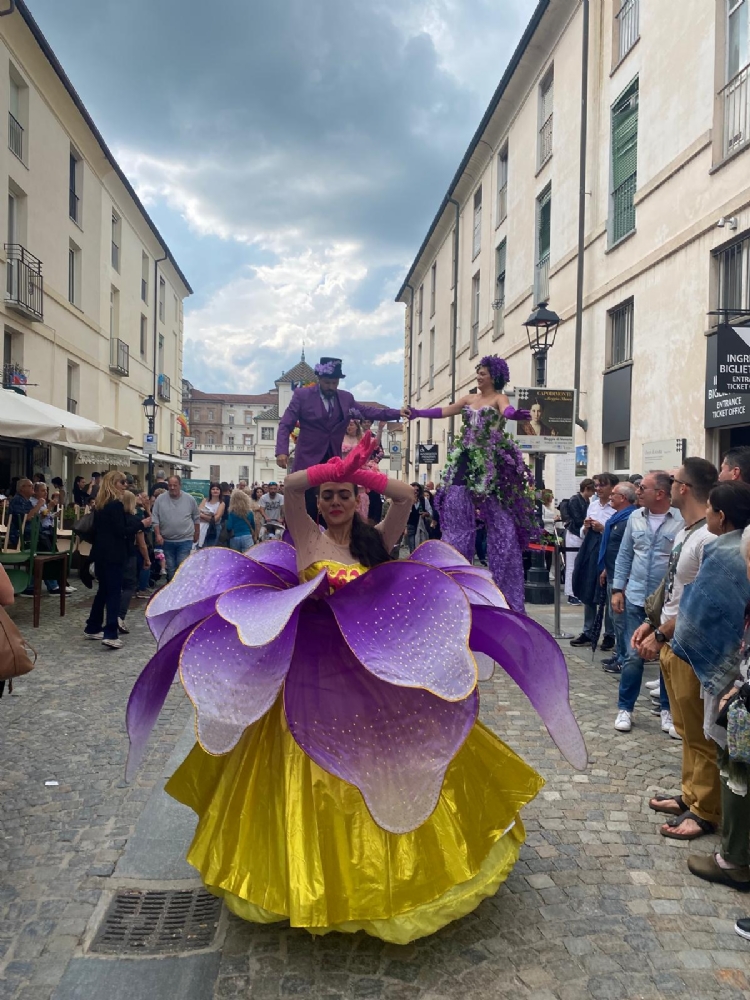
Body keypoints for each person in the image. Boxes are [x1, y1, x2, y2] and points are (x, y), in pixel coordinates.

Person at [126, 432, 586, 943]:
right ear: (319, 503)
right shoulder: (306, 536)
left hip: (373, 673)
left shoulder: (376, 541)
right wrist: (330, 470)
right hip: (312, 674)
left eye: (345, 495)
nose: (337, 502)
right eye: (329, 496)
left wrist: (359, 473)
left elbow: (408, 495)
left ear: (359, 499)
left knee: (396, 754)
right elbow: (290, 485)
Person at [629, 459, 720, 841]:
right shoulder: (688, 531)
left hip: (689, 645)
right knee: (686, 730)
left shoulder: (708, 538)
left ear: (683, 489)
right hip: (672, 641)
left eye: (676, 479)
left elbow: (699, 602)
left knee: (701, 733)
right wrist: (651, 621)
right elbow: (672, 588)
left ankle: (705, 810)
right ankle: (690, 795)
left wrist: (662, 633)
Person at [407, 356, 536, 612]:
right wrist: (418, 412)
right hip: (465, 461)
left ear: (494, 376)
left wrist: (515, 415)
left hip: (492, 462)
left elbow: (507, 410)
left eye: (483, 373)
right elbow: (445, 411)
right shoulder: (468, 399)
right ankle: (454, 586)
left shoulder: (498, 398)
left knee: (503, 529)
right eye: (477, 372)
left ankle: (507, 598)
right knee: (456, 526)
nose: (478, 377)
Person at [676, 484, 750, 893]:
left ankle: (734, 858)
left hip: (737, 682)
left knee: (734, 761)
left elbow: (701, 615)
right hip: (738, 671)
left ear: (721, 515)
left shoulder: (726, 551)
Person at [275, 357, 402, 519]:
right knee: (306, 512)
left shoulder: (345, 398)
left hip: (333, 463)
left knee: (333, 508)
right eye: (327, 383)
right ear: (319, 379)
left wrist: (397, 413)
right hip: (307, 461)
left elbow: (369, 412)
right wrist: (281, 451)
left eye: (335, 383)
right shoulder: (302, 395)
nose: (331, 387)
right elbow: (286, 423)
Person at [611, 471, 684, 733]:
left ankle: (667, 710)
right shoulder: (634, 517)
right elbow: (625, 555)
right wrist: (617, 589)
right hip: (636, 597)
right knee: (633, 656)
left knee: (666, 655)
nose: (637, 491)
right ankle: (625, 708)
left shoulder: (680, 520)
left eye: (643, 487)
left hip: (666, 603)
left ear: (660, 494)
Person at [84, 471, 138, 649]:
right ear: (112, 484)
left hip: (100, 554)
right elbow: (121, 531)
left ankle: (93, 626)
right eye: (121, 482)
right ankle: (110, 633)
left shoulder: (100, 505)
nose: (125, 485)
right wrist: (140, 524)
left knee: (103, 591)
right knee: (114, 593)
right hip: (113, 555)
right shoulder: (115, 506)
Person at [570, 474, 619, 648]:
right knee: (589, 589)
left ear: (613, 487)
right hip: (590, 550)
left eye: (601, 486)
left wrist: (602, 528)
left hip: (608, 552)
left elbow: (619, 534)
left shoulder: (616, 508)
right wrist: (586, 526)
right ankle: (588, 631)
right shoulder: (593, 505)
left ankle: (609, 634)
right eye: (596, 485)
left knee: (608, 593)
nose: (598, 489)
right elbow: (582, 532)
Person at [598, 482, 638, 674]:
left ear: (622, 498)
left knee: (621, 621)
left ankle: (624, 659)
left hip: (622, 580)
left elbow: (628, 552)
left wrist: (623, 581)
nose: (610, 497)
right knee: (616, 619)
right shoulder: (617, 518)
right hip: (613, 573)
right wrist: (606, 569)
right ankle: (620, 654)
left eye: (613, 494)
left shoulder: (629, 518)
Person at [151, 476, 200, 582]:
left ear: (180, 485)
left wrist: (197, 532)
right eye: (170, 485)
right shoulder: (160, 499)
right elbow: (155, 518)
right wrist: (158, 534)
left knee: (181, 566)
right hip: (167, 539)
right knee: (171, 568)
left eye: (175, 485)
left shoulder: (189, 499)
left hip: (185, 539)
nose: (172, 488)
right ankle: (172, 590)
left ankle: (180, 590)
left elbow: (196, 517)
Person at [118, 491, 151, 633]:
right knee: (129, 585)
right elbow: (142, 543)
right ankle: (120, 616)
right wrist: (147, 559)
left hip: (114, 555)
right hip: (129, 554)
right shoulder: (134, 520)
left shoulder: (116, 518)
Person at [562, 479, 595, 606]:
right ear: (586, 488)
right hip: (574, 534)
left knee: (578, 564)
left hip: (581, 533)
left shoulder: (587, 501)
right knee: (571, 565)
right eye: (591, 490)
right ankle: (571, 593)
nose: (592, 494)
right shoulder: (575, 500)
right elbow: (576, 519)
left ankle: (577, 591)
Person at [197, 484, 225, 549]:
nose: (215, 491)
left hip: (213, 529)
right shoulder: (205, 500)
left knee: (211, 549)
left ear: (220, 491)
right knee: (201, 549)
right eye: (213, 489)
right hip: (202, 527)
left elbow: (215, 519)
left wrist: (203, 515)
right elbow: (198, 513)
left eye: (217, 489)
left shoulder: (221, 503)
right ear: (210, 491)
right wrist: (210, 516)